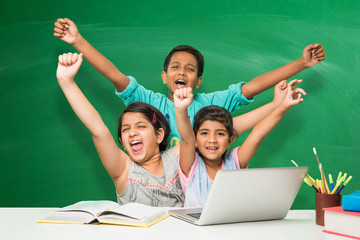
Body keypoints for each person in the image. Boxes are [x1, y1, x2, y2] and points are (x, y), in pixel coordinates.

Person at [53, 18, 325, 148]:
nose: (181, 72)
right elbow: (114, 74)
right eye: (175, 67)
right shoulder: (149, 104)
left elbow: (253, 86)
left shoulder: (212, 105)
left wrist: (301, 64)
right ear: (164, 76)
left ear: (198, 80)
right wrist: (78, 41)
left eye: (190, 69)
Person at [56, 52, 184, 207]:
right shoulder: (124, 169)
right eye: (125, 129)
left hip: (179, 231)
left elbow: (206, 137)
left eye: (141, 126)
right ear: (122, 143)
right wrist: (66, 82)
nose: (132, 133)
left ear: (159, 135)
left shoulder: (178, 157)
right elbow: (98, 129)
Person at [174, 80, 306, 207]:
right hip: (195, 229)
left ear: (230, 140)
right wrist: (181, 109)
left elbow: (257, 134)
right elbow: (187, 139)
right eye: (204, 133)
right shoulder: (191, 165)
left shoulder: (234, 161)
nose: (212, 139)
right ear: (195, 141)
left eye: (220, 134)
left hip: (231, 228)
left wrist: (283, 106)